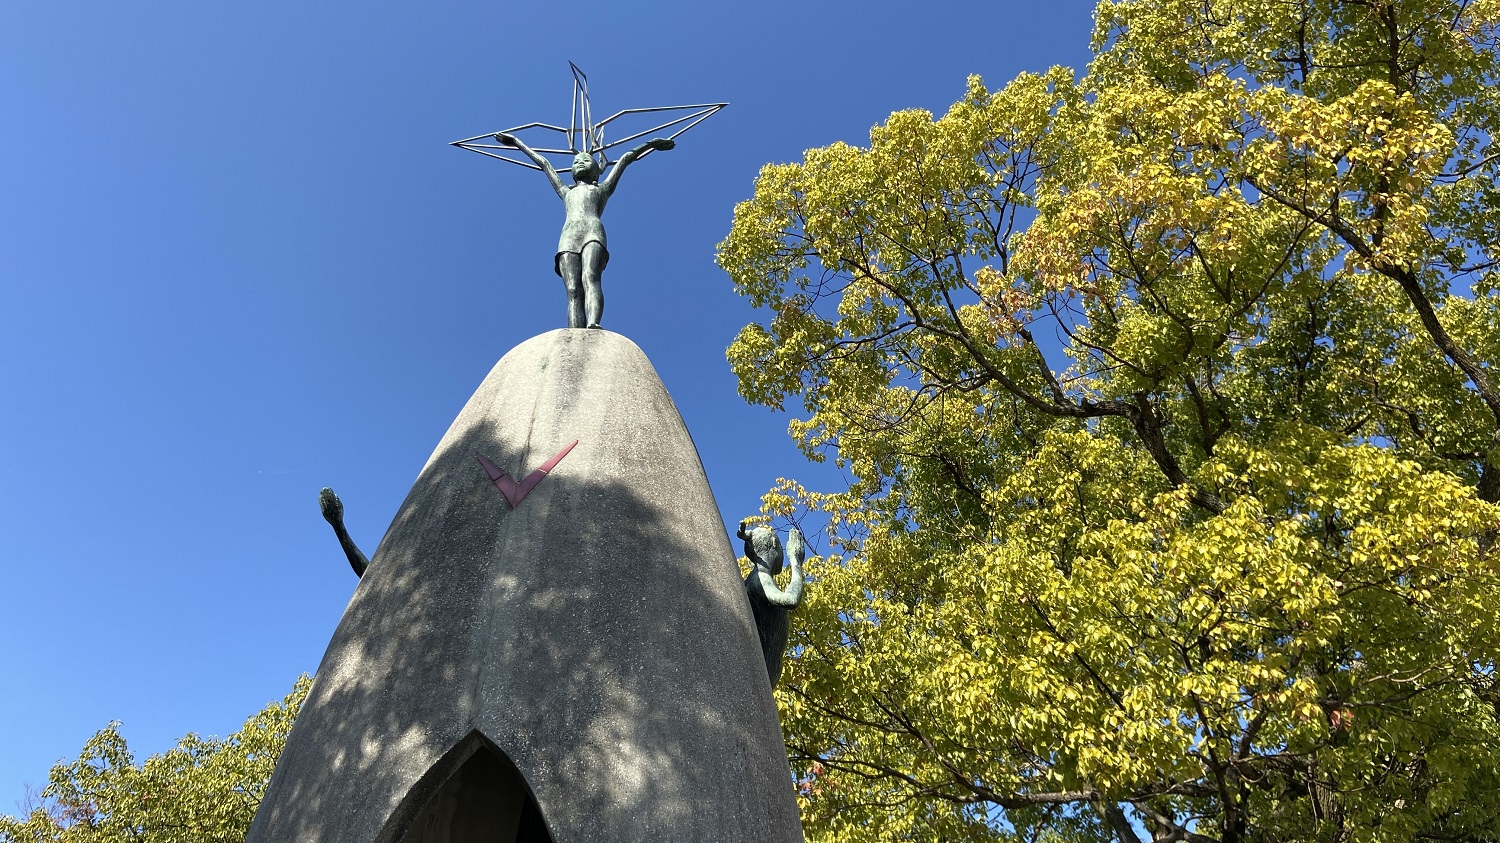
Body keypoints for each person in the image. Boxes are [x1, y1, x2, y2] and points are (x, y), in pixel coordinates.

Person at [494, 132, 675, 328]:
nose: (580, 163)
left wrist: (650, 144)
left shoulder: (602, 189)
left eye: (586, 160)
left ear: (597, 170)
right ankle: (575, 332)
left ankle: (593, 323)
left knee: (590, 277)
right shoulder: (565, 192)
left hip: (593, 233)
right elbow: (544, 164)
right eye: (576, 162)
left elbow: (625, 158)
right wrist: (517, 142)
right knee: (573, 289)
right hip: (568, 238)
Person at [737, 520, 807, 686]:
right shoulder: (760, 579)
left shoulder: (760, 578)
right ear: (775, 544)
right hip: (759, 678)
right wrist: (796, 562)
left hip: (765, 676)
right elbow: (791, 600)